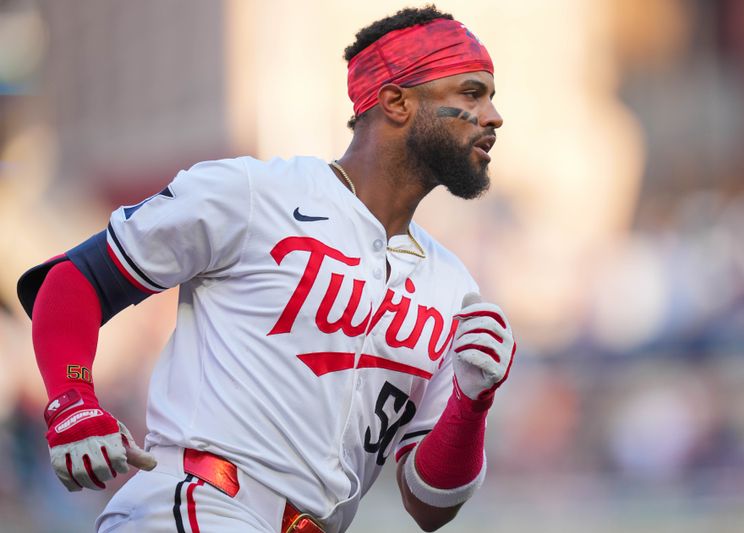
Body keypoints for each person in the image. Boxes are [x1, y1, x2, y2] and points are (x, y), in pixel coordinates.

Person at [17, 5, 515, 532]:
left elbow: (428, 504)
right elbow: (76, 279)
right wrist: (72, 400)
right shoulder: (256, 193)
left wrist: (472, 399)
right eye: (470, 92)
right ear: (395, 101)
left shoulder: (454, 289)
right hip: (198, 505)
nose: (493, 115)